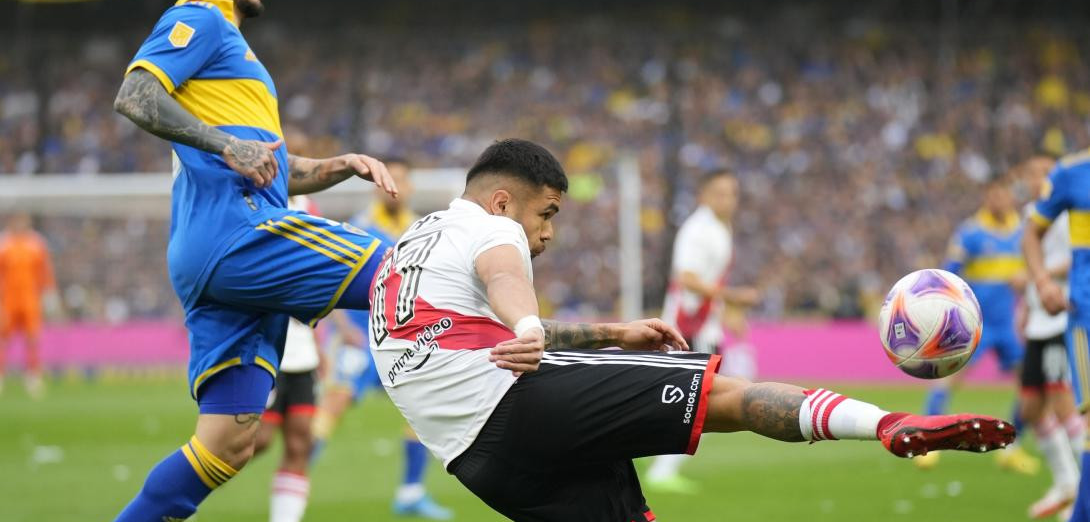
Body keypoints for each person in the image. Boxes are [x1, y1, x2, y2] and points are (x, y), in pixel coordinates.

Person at [370, 138, 1016, 522]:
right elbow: (507, 277)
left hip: (477, 461)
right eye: (547, 213)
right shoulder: (492, 226)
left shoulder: (411, 244)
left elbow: (490, 335)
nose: (548, 233)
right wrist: (529, 317)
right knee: (726, 397)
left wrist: (611, 335)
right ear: (506, 199)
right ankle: (887, 424)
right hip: (518, 403)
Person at [109, 0, 398, 522]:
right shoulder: (199, 19)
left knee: (227, 444)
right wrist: (225, 145)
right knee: (407, 275)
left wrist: (335, 165)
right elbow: (135, 94)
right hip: (235, 236)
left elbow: (267, 168)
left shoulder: (233, 55)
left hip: (215, 249)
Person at [314, 158, 453, 519]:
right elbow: (331, 279)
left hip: (404, 341)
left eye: (402, 180)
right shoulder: (358, 227)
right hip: (359, 337)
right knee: (336, 403)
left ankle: (410, 492)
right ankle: (297, 471)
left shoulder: (422, 230)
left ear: (410, 187)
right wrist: (342, 328)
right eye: (387, 180)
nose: (393, 186)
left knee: (423, 411)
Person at [915, 173, 1039, 473]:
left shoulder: (1023, 231)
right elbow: (950, 276)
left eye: (1004, 194)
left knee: (1029, 385)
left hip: (1008, 325)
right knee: (951, 378)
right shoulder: (970, 232)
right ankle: (924, 442)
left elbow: (1033, 268)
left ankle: (1013, 447)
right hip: (975, 325)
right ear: (986, 196)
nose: (999, 199)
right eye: (993, 194)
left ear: (1011, 195)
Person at [646, 167, 759, 493]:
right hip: (687, 329)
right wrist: (734, 298)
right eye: (721, 193)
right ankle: (661, 469)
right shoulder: (698, 230)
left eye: (733, 194)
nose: (729, 200)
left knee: (697, 400)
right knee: (699, 400)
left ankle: (660, 464)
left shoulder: (719, 228)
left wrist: (726, 312)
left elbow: (706, 284)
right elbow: (688, 279)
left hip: (702, 327)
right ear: (704, 196)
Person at [1024, 148, 1090, 522]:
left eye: (1041, 171)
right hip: (1076, 315)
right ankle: (1072, 487)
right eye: (1032, 172)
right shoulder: (1072, 176)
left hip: (1056, 319)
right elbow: (1030, 238)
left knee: (1060, 403)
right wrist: (1041, 283)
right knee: (1040, 406)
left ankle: (1072, 489)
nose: (1037, 179)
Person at [0, 212, 58, 400]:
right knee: (3, 339)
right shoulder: (1, 243)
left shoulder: (37, 243)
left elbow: (44, 271)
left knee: (32, 339)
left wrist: (49, 293)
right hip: (7, 299)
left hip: (30, 299)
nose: (21, 223)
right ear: (11, 221)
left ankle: (33, 378)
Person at [254, 317, 320, 522]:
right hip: (267, 355)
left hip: (304, 362)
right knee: (256, 440)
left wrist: (318, 347)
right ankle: (192, 484)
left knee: (299, 445)